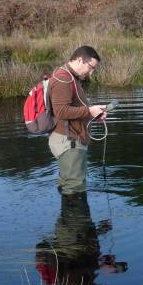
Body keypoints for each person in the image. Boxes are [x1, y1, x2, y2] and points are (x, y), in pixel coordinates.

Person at [35, 192, 128, 285]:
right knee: (79, 199)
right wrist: (102, 258)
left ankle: (72, 183)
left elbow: (71, 271)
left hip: (69, 240)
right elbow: (85, 259)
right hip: (76, 238)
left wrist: (100, 266)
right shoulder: (89, 283)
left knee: (74, 195)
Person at [48, 45, 107, 195]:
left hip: (70, 141)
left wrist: (93, 115)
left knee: (67, 184)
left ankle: (67, 218)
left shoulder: (70, 77)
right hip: (70, 143)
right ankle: (78, 219)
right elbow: (61, 111)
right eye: (91, 67)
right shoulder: (63, 79)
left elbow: (71, 109)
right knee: (75, 188)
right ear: (80, 60)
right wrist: (89, 111)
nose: (91, 73)